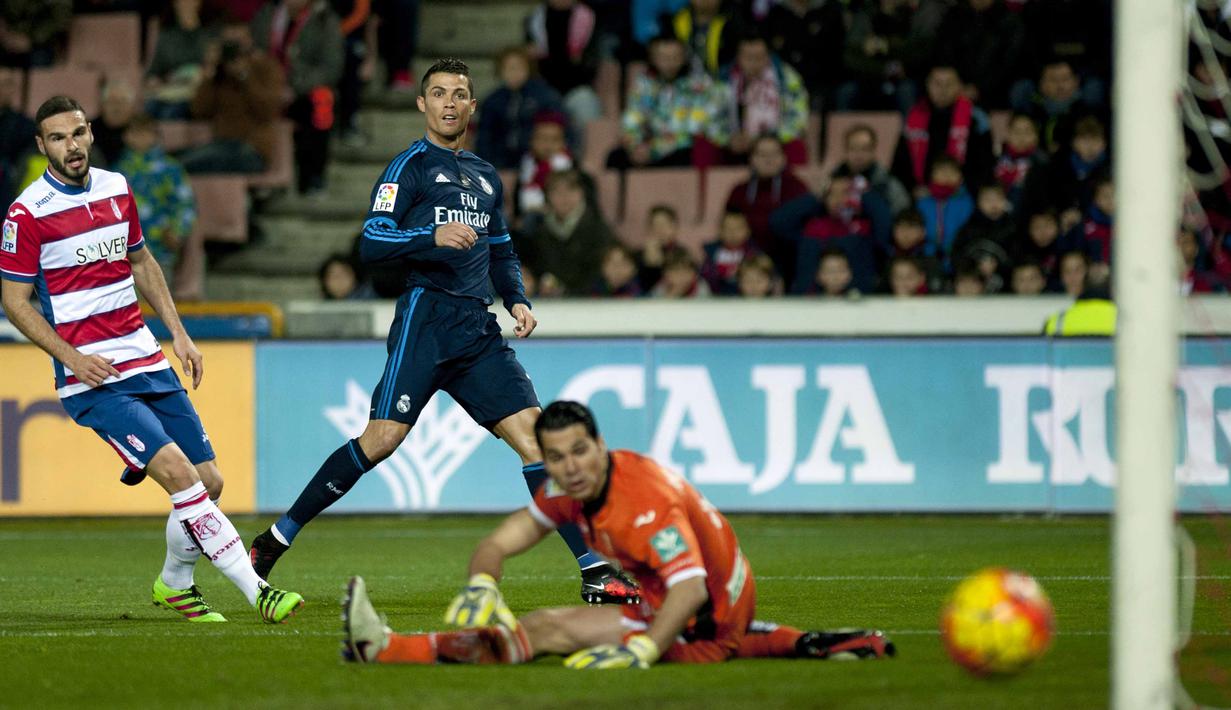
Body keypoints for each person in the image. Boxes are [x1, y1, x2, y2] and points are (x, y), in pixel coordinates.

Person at [247, 59, 639, 606]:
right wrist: (430, 235)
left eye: (458, 94)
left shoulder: (486, 176)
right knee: (381, 440)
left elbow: (501, 248)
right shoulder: (408, 167)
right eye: (438, 93)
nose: (449, 103)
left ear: (472, 106)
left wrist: (517, 297)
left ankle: (594, 571)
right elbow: (372, 241)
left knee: (536, 440)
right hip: (426, 319)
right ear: (422, 104)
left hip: (477, 329)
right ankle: (274, 540)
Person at [0, 95, 304, 624]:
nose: (71, 146)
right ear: (41, 145)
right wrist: (72, 358)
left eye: (77, 133)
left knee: (209, 481)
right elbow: (14, 302)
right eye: (58, 138)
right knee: (181, 475)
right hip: (93, 378)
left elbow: (142, 263)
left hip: (146, 358)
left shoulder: (117, 188)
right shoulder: (27, 214)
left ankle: (174, 583)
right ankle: (258, 592)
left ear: (90, 133)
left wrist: (179, 334)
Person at [341, 400, 896, 667]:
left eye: (581, 451)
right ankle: (810, 643)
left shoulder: (644, 502)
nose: (572, 466)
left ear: (601, 446)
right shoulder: (568, 488)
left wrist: (644, 650)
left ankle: (387, 650)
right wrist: (482, 581)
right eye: (557, 457)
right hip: (679, 600)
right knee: (554, 622)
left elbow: (690, 589)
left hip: (704, 613)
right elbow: (499, 542)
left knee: (546, 629)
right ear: (546, 461)